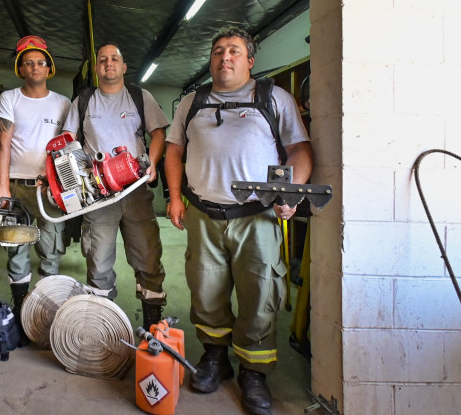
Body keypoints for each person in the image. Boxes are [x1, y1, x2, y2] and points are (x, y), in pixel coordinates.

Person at [165, 27, 313, 415]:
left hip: (256, 216)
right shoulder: (192, 102)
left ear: (250, 60)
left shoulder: (273, 98)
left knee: (260, 295)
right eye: (217, 51)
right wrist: (176, 197)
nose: (224, 57)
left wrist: (291, 192)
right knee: (206, 290)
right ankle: (216, 358)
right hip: (203, 214)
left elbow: (299, 149)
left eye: (233, 51)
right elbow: (174, 151)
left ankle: (254, 371)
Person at [62, 42, 168, 329]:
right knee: (98, 261)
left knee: (148, 256)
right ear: (96, 69)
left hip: (136, 191)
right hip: (97, 196)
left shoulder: (139, 97)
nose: (109, 63)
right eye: (103, 60)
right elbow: (68, 139)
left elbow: (158, 133)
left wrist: (152, 162)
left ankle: (152, 328)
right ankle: (103, 329)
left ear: (124, 67)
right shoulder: (83, 101)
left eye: (115, 59)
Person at [0, 36, 71, 341]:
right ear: (20, 68)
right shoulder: (10, 98)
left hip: (51, 189)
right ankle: (21, 308)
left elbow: (68, 146)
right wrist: (2, 186)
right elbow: (4, 143)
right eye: (28, 62)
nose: (35, 67)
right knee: (17, 247)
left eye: (40, 62)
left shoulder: (62, 103)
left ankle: (47, 309)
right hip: (18, 187)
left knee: (50, 247)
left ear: (48, 68)